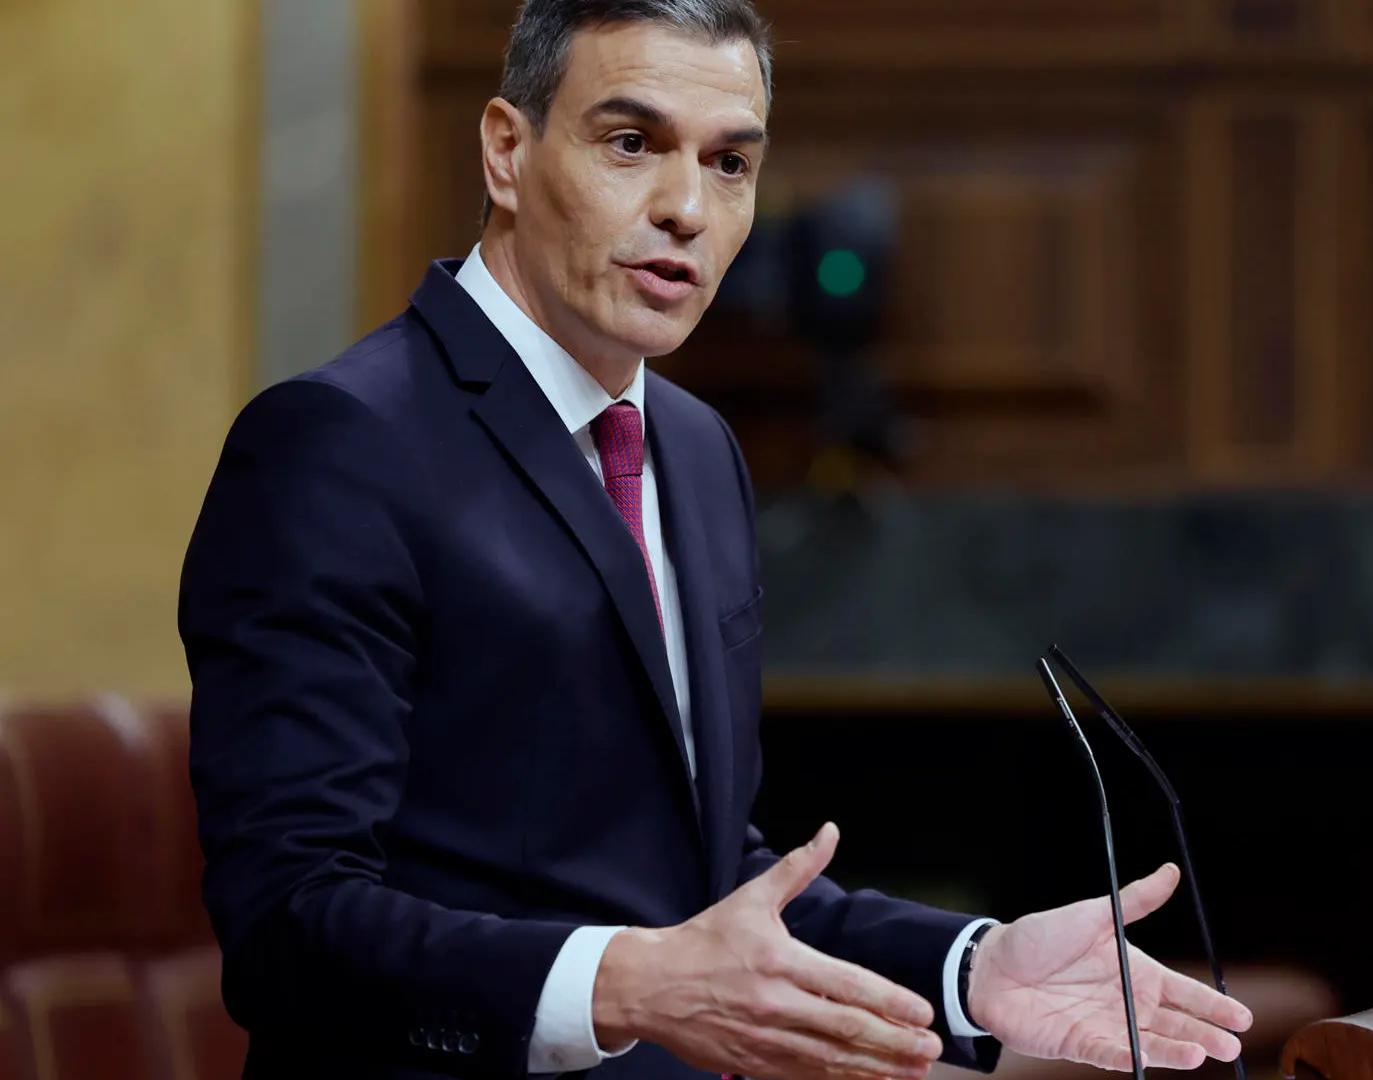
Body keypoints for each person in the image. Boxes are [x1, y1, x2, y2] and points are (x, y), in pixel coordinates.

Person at [179, 2, 1252, 1078]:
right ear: (507, 151)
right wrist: (627, 986)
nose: (687, 207)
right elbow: (289, 924)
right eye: (631, 143)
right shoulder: (338, 445)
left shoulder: (694, 450)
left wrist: (970, 968)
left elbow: (697, 879)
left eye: (731, 163)